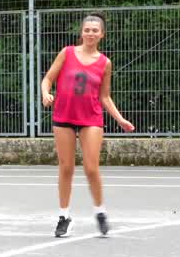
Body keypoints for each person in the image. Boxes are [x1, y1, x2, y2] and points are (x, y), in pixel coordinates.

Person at [40, 12, 135, 238]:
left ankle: (100, 212)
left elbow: (104, 97)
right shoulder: (67, 53)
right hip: (63, 116)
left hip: (90, 118)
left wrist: (120, 119)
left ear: (102, 34)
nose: (90, 33)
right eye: (87, 29)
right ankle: (64, 217)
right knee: (66, 168)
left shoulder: (105, 63)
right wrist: (46, 93)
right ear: (81, 32)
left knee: (91, 168)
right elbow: (48, 78)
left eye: (95, 30)